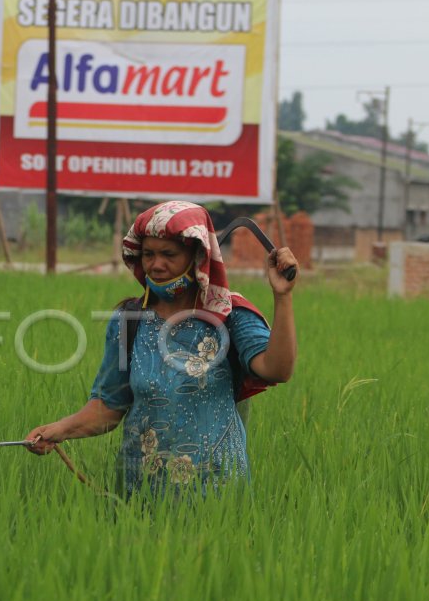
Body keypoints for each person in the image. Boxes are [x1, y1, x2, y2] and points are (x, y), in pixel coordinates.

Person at [25, 201, 298, 497]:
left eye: (169, 254)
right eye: (148, 254)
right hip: (138, 490)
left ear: (197, 256)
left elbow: (277, 370)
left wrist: (282, 297)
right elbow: (108, 407)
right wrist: (58, 430)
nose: (156, 265)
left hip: (216, 492)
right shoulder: (129, 321)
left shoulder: (229, 315)